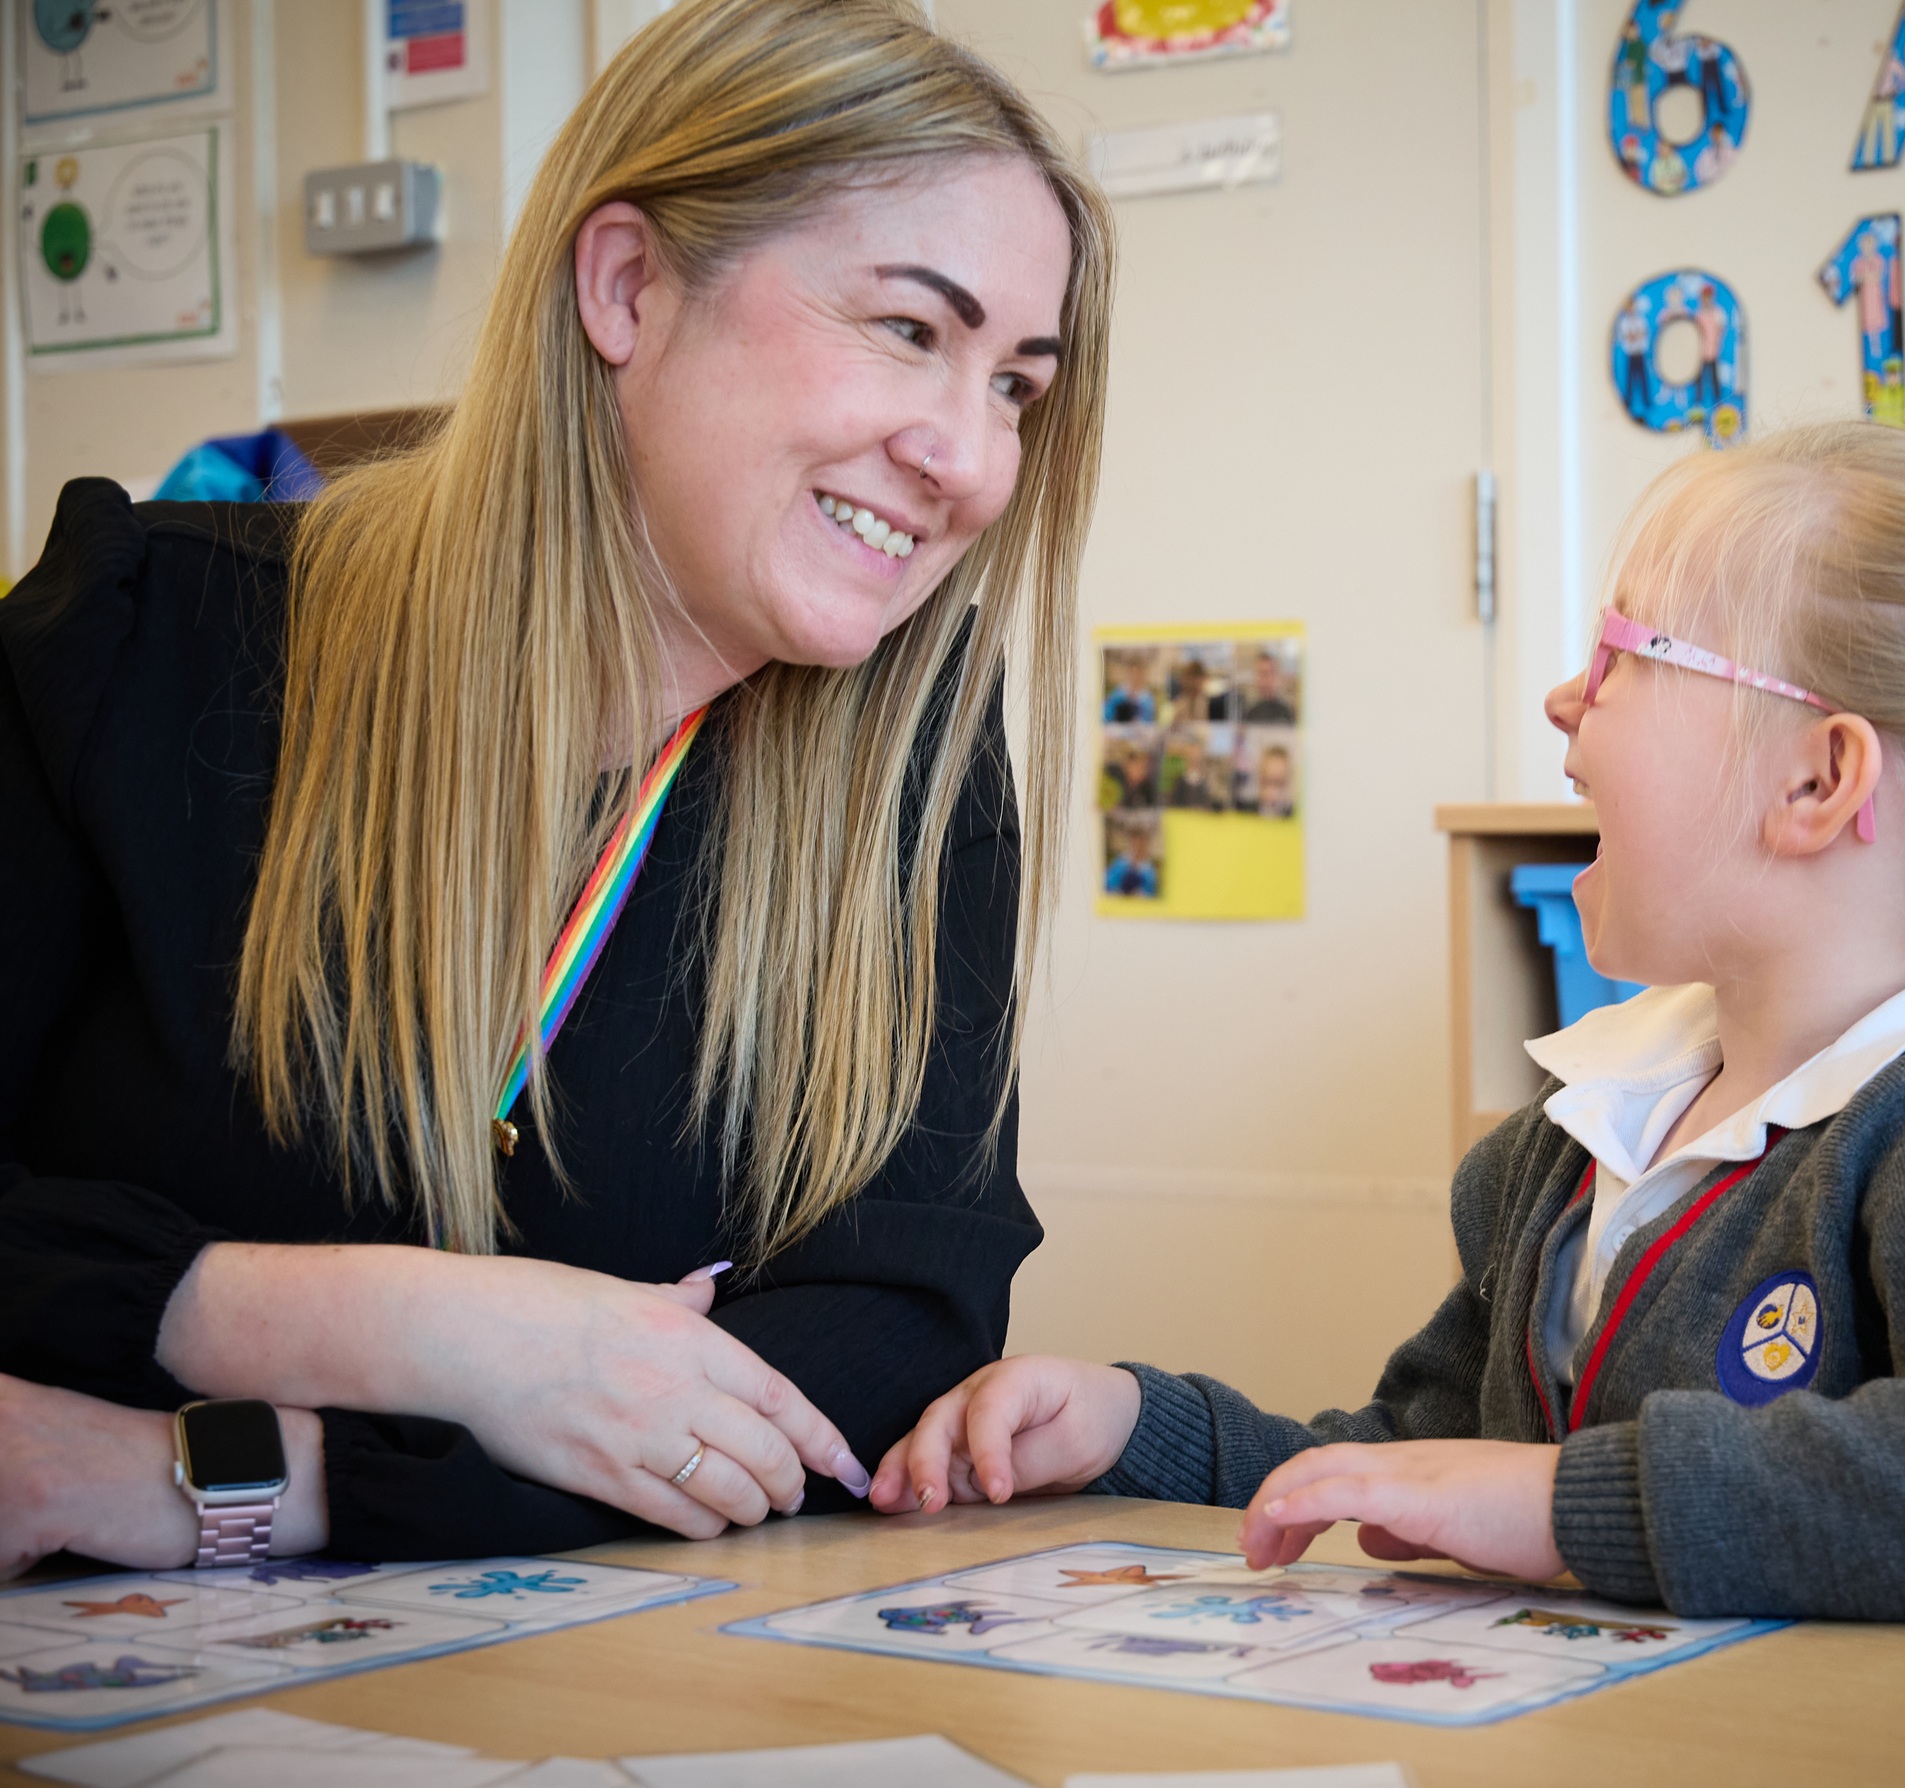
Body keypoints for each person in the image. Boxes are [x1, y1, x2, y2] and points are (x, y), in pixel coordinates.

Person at [0, 0, 1111, 1576]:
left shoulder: (917, 760)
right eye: (909, 331)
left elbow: (885, 1344)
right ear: (628, 286)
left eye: (1016, 387)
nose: (973, 463)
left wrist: (206, 1475)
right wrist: (409, 1328)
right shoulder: (137, 638)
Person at [870, 423, 1905, 1623]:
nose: (1566, 698)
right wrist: (1135, 1425)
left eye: (1623, 655)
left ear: (1816, 781)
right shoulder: (1578, 1138)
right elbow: (1415, 1467)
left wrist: (1565, 1506)